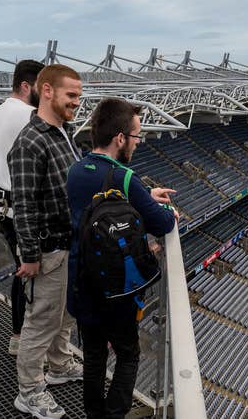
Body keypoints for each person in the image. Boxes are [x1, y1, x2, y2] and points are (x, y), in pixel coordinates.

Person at [66, 97, 179, 419]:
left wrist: (144, 196)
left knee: (94, 357)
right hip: (116, 292)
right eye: (136, 136)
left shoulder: (75, 171)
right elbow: (162, 222)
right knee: (128, 355)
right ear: (120, 139)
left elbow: (94, 206)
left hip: (81, 284)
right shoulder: (125, 178)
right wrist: (163, 205)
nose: (137, 143)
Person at [8, 64, 85, 419]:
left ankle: (58, 365)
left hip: (67, 245)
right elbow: (23, 203)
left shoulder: (62, 133)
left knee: (64, 316)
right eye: (71, 95)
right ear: (48, 91)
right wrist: (30, 255)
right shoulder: (31, 140)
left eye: (79, 97)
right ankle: (29, 391)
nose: (77, 103)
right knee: (40, 322)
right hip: (49, 249)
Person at [0, 59, 44, 356]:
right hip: (24, 210)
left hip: (3, 206)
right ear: (26, 85)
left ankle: (19, 336)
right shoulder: (30, 116)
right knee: (34, 277)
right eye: (41, 87)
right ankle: (27, 345)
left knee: (23, 272)